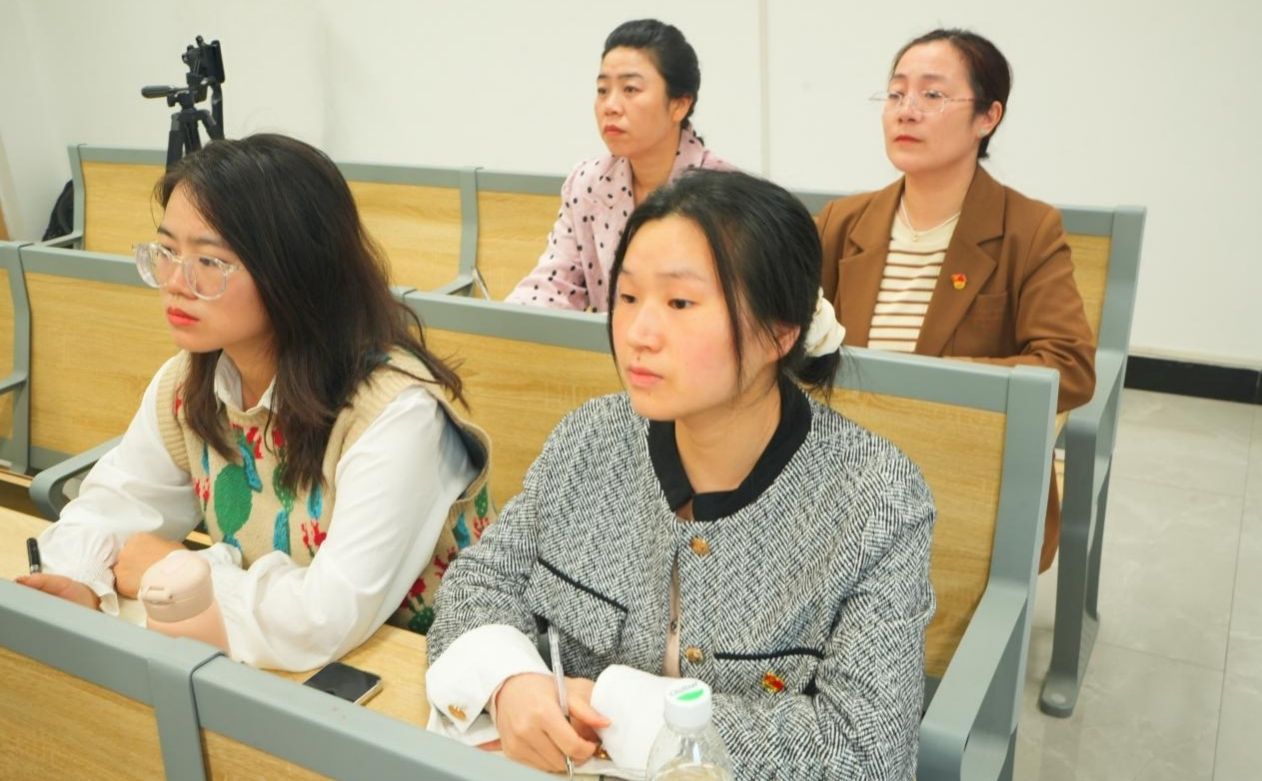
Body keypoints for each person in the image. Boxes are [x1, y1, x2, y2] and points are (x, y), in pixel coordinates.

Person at [428, 170, 935, 779]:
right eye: (627, 297)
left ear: (779, 332)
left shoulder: (876, 499)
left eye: (679, 303)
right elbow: (478, 584)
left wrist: (630, 715)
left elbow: (866, 751)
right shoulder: (590, 437)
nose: (638, 335)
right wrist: (509, 681)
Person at [15, 134, 493, 671]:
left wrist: (179, 573)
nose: (175, 282)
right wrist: (79, 577)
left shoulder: (397, 413)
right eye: (167, 251)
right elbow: (114, 506)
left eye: (209, 261)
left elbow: (323, 619)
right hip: (272, 670)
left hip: (425, 677)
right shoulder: (188, 382)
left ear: (293, 271)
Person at [815, 28, 1095, 571]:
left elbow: (1070, 367)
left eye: (933, 94)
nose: (907, 110)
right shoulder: (841, 222)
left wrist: (934, 386)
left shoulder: (1029, 228)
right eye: (896, 93)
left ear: (988, 117)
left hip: (966, 476)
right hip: (847, 470)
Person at [505, 18, 732, 312]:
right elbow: (553, 286)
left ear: (679, 104)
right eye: (602, 90)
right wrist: (501, 323)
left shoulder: (726, 195)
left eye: (630, 89)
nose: (610, 106)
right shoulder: (587, 183)